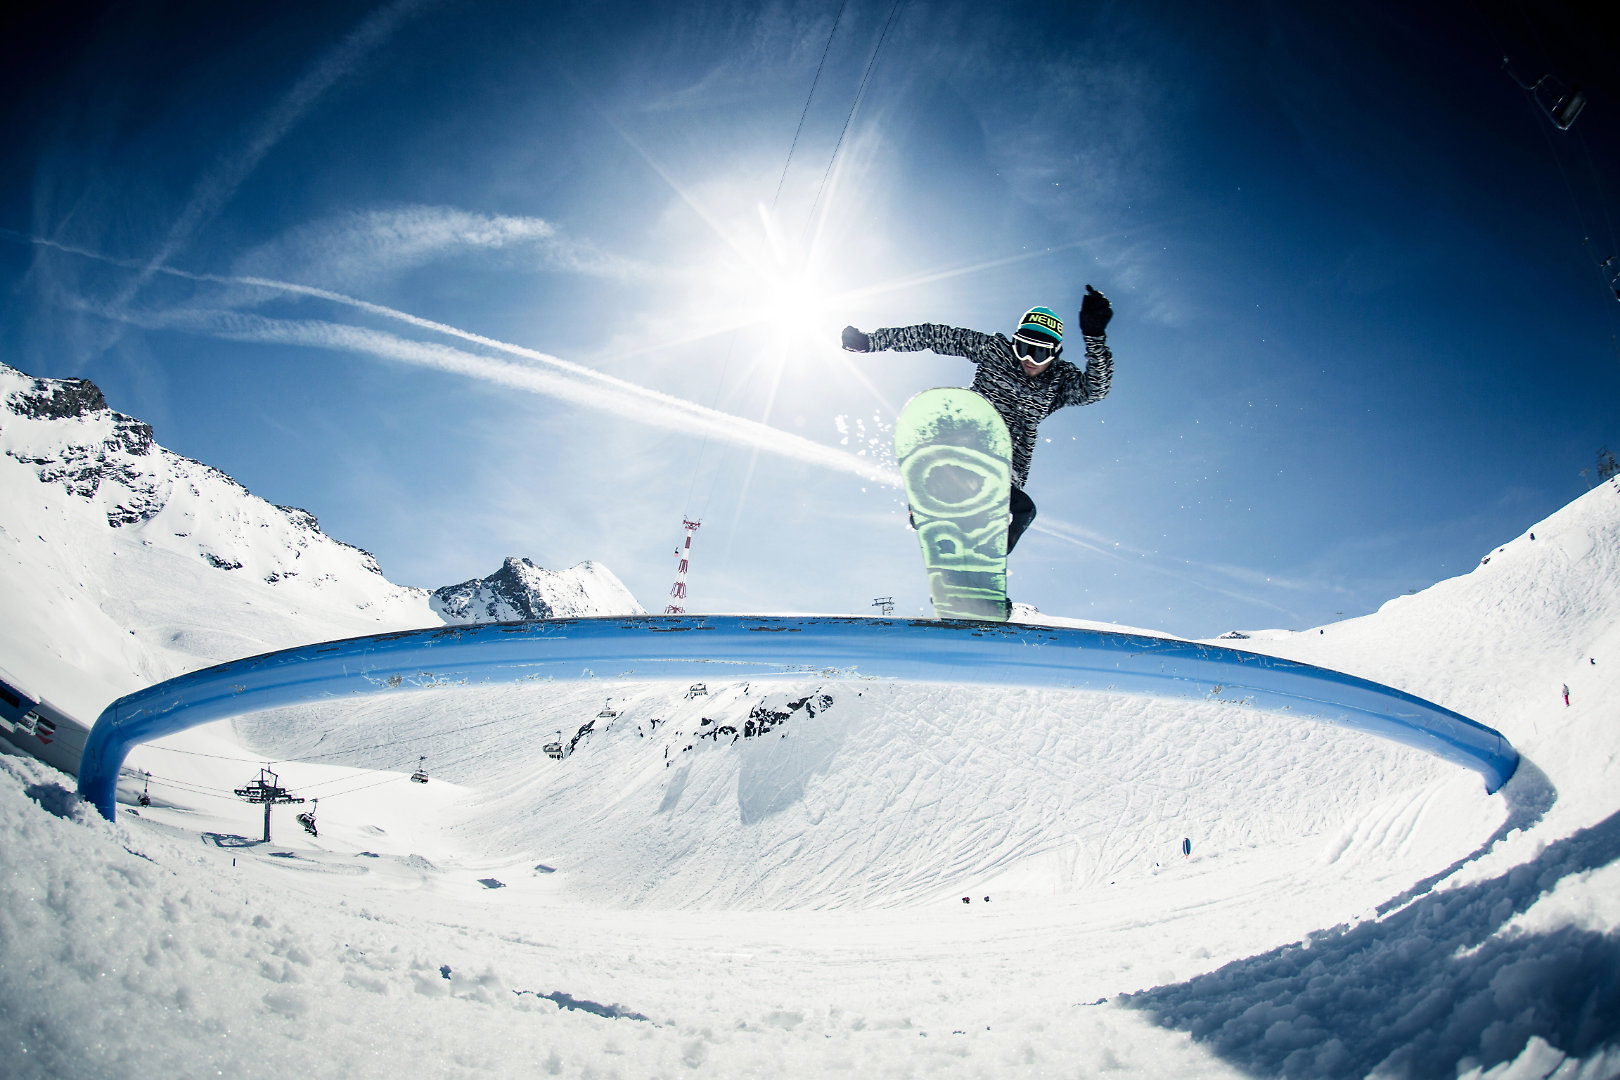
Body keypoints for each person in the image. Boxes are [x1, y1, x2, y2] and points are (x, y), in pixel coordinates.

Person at [841, 285, 1114, 553]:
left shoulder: (1059, 380)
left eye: (1040, 352)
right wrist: (871, 341)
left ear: (1055, 355)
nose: (1028, 359)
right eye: (1021, 348)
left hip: (1004, 469)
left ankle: (983, 568)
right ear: (1013, 342)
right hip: (964, 441)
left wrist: (1094, 337)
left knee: (1024, 511)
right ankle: (930, 498)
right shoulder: (995, 350)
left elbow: (1095, 388)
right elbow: (935, 336)